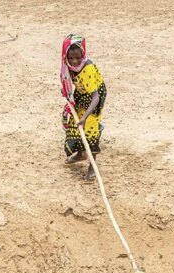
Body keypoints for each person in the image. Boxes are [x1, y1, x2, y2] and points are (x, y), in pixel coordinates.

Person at [60, 34, 107, 180]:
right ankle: (81, 154)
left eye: (78, 58)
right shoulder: (67, 66)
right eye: (71, 58)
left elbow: (95, 97)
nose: (74, 61)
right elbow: (69, 82)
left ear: (83, 54)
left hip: (94, 97)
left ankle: (93, 167)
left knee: (90, 130)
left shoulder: (88, 69)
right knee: (74, 124)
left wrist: (86, 117)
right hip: (81, 93)